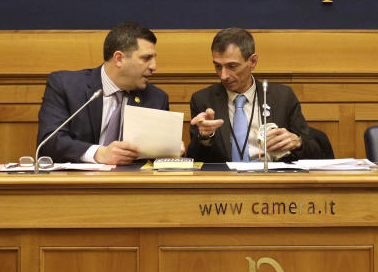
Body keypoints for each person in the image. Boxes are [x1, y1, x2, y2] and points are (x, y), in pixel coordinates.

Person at [36, 22, 170, 165]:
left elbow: (162, 161)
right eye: (146, 58)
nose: (154, 66)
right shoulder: (65, 86)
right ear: (119, 59)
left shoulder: (156, 98)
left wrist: (170, 152)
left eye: (154, 58)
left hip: (131, 184)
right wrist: (98, 153)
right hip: (76, 184)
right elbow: (49, 143)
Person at [188, 27, 322, 162]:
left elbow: (314, 151)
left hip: (271, 179)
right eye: (218, 66)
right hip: (226, 180)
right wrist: (205, 137)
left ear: (253, 62)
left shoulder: (283, 97)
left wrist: (298, 142)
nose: (223, 76)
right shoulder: (203, 100)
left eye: (232, 66)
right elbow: (194, 160)